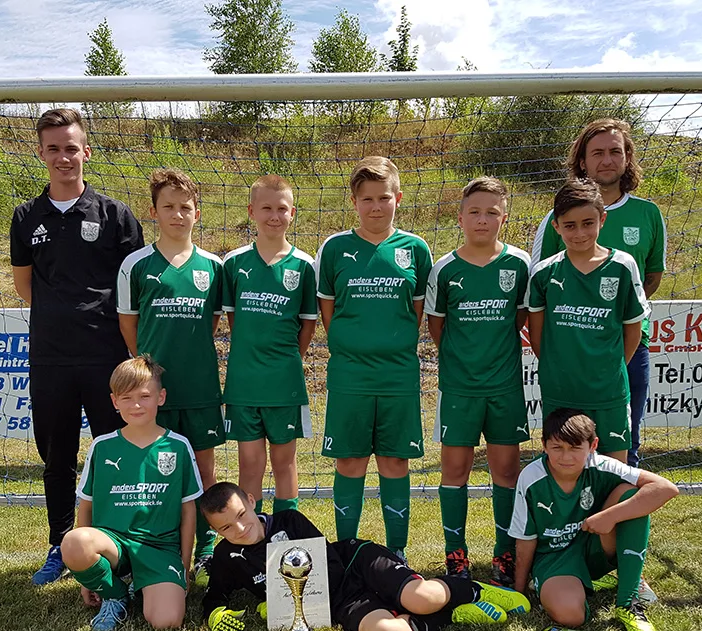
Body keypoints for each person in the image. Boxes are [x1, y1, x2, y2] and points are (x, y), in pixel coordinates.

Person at [10, 107, 144, 585]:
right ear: (41, 153)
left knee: (117, 452)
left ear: (86, 151)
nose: (63, 157)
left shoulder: (115, 215)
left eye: (71, 148)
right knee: (57, 457)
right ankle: (59, 543)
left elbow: (134, 286)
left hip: (108, 357)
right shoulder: (26, 217)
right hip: (51, 358)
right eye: (54, 149)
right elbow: (25, 286)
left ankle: (118, 543)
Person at [199, 482, 530, 631]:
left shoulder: (289, 520)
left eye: (241, 515)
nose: (240, 528)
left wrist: (285, 602)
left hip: (355, 564)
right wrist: (216, 615)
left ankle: (473, 590)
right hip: (342, 602)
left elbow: (329, 563)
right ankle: (451, 613)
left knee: (421, 599)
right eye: (226, 527)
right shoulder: (228, 555)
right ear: (216, 531)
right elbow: (214, 595)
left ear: (251, 501)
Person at [315, 156, 432, 559]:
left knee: (395, 462)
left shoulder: (415, 249)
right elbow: (329, 311)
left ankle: (397, 551)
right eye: (367, 199)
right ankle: (346, 550)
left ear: (398, 198)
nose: (376, 206)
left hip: (399, 376)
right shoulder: (335, 248)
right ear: (354, 202)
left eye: (384, 197)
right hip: (350, 375)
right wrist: (354, 344)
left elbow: (416, 311)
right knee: (349, 461)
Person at [532, 119, 666, 466]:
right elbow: (542, 291)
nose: (607, 160)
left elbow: (651, 277)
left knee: (624, 443)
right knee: (568, 448)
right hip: (569, 357)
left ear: (627, 157)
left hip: (625, 349)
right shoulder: (555, 218)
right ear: (582, 161)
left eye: (615, 152)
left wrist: (610, 335)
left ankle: (617, 500)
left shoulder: (648, 213)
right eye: (597, 153)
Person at [116, 168, 224, 588]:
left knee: (203, 470)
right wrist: (149, 371)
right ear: (154, 212)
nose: (178, 214)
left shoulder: (214, 267)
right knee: (152, 473)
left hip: (199, 387)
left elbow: (211, 324)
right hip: (151, 391)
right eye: (169, 207)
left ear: (198, 212)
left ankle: (208, 548)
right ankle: (152, 549)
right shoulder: (135, 264)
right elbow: (130, 328)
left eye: (185, 207)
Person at [425, 177, 531, 585]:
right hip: (459, 388)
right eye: (474, 212)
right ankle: (456, 556)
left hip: (505, 387)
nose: (482, 219)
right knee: (455, 472)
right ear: (460, 218)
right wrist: (465, 361)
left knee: (506, 472)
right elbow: (438, 327)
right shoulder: (445, 269)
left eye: (491, 212)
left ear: (504, 218)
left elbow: (518, 319)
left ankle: (504, 554)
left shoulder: (519, 264)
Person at [60, 356, 201, 631]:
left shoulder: (178, 446)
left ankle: (144, 583)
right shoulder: (102, 446)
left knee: (167, 621)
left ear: (161, 397)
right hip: (114, 544)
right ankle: (115, 594)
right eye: (126, 398)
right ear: (115, 402)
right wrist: (86, 577)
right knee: (74, 542)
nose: (136, 405)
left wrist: (184, 568)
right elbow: (86, 507)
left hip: (159, 547)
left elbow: (188, 511)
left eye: (144, 396)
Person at [510, 408, 678, 631]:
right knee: (571, 616)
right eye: (557, 447)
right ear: (544, 446)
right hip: (554, 557)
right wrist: (519, 591)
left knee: (633, 496)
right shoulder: (531, 477)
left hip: (594, 544)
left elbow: (666, 488)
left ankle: (627, 603)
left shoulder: (601, 464)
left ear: (593, 445)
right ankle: (581, 585)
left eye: (575, 448)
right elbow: (525, 539)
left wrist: (609, 516)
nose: (566, 457)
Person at [221, 175, 318, 515]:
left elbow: (307, 325)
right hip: (244, 383)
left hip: (284, 383)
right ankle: (255, 532)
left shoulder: (305, 265)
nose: (274, 216)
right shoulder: (234, 263)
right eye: (266, 208)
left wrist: (287, 359)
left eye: (282, 209)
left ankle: (287, 532)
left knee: (284, 462)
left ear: (292, 213)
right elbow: (235, 321)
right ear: (251, 211)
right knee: (249, 463)